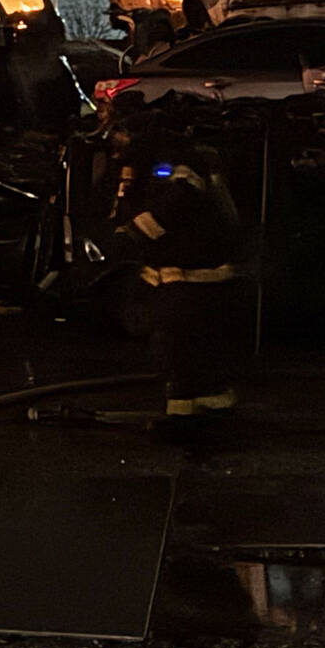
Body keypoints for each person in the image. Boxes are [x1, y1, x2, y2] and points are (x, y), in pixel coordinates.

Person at [116, 138, 246, 432]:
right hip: (190, 287)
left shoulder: (180, 174)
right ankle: (206, 409)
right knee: (195, 352)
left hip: (189, 287)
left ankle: (184, 418)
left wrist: (128, 233)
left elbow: (162, 215)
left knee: (178, 350)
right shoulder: (175, 170)